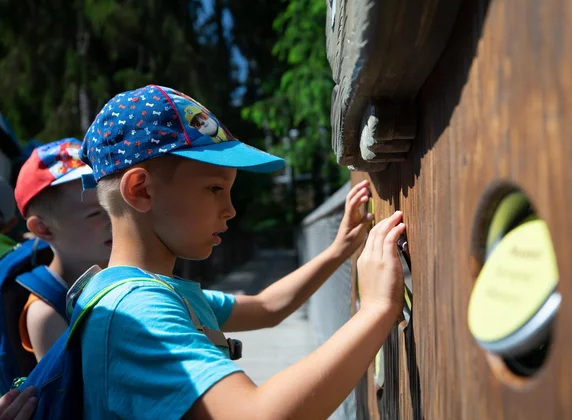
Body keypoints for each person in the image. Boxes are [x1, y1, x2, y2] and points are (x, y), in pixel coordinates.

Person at [74, 84, 406, 419]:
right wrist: (376, 309)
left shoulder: (151, 292)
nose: (230, 210)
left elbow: (268, 307)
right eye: (215, 188)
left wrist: (338, 250)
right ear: (141, 190)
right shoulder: (136, 311)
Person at [13, 139, 112, 361]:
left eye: (113, 204)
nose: (114, 218)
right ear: (44, 229)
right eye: (95, 213)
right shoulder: (47, 314)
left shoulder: (119, 267)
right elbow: (67, 393)